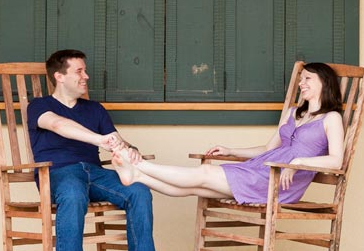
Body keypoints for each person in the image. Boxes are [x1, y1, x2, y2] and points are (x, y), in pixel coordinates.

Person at [28, 49, 173, 251]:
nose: (86, 76)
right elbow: (59, 125)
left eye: (85, 70)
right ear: (59, 76)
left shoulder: (94, 109)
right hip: (59, 173)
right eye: (79, 71)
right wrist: (99, 140)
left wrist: (129, 149)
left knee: (138, 191)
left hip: (94, 173)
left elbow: (116, 139)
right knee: (73, 196)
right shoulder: (40, 106)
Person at [110, 63, 345, 205]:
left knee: (204, 173)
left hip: (280, 183)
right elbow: (267, 149)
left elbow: (337, 160)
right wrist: (231, 151)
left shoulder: (331, 118)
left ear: (324, 83)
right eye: (301, 78)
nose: (301, 83)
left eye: (307, 79)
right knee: (197, 187)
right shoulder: (294, 113)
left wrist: (299, 161)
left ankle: (138, 166)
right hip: (261, 169)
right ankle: (137, 177)